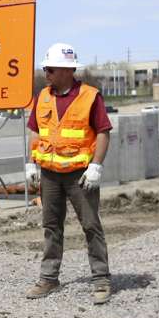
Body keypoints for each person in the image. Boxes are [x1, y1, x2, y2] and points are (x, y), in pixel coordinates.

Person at [23, 42, 114, 304]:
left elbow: (103, 132)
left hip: (80, 175)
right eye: (45, 69)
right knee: (51, 226)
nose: (46, 74)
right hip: (50, 174)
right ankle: (49, 278)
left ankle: (101, 280)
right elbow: (35, 131)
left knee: (91, 225)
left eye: (50, 69)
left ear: (66, 70)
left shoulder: (90, 96)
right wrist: (31, 163)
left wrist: (96, 166)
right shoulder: (43, 96)